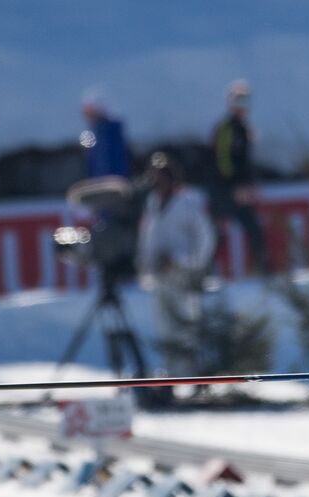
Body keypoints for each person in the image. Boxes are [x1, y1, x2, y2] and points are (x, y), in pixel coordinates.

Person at [135, 152, 216, 373]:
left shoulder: (188, 201)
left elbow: (205, 237)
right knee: (164, 325)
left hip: (183, 273)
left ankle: (195, 374)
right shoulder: (153, 202)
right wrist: (145, 264)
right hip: (159, 274)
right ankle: (171, 374)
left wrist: (184, 260)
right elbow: (147, 237)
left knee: (187, 323)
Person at [208, 79, 267, 274]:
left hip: (237, 191)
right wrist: (235, 186)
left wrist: (250, 184)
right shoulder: (226, 128)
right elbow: (222, 161)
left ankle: (263, 271)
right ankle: (203, 273)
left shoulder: (243, 128)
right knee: (218, 234)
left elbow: (245, 162)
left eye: (246, 101)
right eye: (238, 101)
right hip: (225, 190)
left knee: (254, 229)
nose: (243, 106)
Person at [80, 88, 130, 180]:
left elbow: (110, 160)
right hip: (99, 180)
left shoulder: (111, 129)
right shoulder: (91, 132)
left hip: (113, 180)